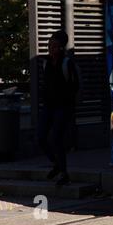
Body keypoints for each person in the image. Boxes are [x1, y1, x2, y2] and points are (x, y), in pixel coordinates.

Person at [38, 30, 79, 186]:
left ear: (61, 48)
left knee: (56, 138)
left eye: (54, 46)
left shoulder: (67, 63)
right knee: (41, 137)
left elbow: (75, 85)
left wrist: (68, 101)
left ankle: (64, 173)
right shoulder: (45, 63)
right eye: (49, 45)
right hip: (48, 106)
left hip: (63, 107)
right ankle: (56, 164)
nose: (51, 49)